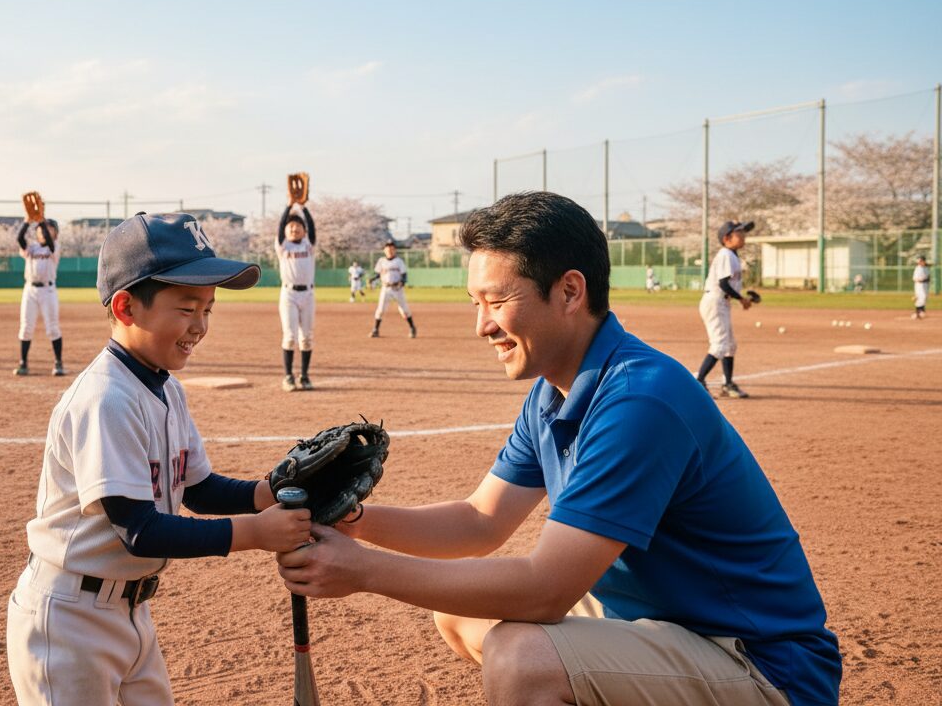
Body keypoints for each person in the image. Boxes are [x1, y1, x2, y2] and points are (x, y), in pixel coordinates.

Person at [277, 192, 841, 706]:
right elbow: (479, 520)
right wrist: (354, 521)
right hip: (666, 622)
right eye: (475, 303)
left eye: (496, 301)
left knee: (522, 658)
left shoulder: (640, 400)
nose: (482, 326)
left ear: (570, 291)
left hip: (759, 663)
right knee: (459, 615)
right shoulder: (554, 391)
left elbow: (546, 590)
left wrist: (365, 571)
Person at [6, 212, 313, 706]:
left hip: (130, 612)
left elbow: (199, 489)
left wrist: (272, 491)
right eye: (187, 308)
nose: (200, 326)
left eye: (208, 309)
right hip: (68, 620)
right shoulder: (106, 398)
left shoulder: (167, 388)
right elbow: (140, 531)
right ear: (126, 306)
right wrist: (256, 532)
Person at [696, 220, 754, 398]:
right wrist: (741, 299)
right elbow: (723, 284)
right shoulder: (726, 255)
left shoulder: (732, 256)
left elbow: (729, 285)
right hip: (715, 302)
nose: (743, 235)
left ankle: (728, 384)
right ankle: (699, 383)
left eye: (743, 232)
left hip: (722, 302)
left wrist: (742, 298)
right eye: (739, 232)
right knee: (719, 345)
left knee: (729, 345)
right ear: (727, 238)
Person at [15, 217, 65, 376]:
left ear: (55, 233)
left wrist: (41, 220)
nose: (43, 232)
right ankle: (23, 363)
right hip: (29, 290)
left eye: (48, 229)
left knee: (52, 328)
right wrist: (27, 221)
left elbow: (49, 241)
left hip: (48, 291)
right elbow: (19, 238)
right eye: (41, 230)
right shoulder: (31, 248)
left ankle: (58, 362)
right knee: (26, 327)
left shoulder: (54, 247)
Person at [276, 202, 316, 391]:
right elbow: (280, 226)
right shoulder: (283, 246)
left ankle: (305, 376)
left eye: (298, 226)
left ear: (304, 231)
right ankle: (288, 376)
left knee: (306, 337)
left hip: (308, 294)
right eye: (291, 226)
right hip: (289, 295)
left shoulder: (309, 245)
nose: (294, 229)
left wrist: (303, 208)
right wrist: (289, 206)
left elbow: (312, 227)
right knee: (290, 336)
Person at [369, 239, 417, 338]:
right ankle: (375, 330)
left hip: (397, 288)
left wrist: (402, 282)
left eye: (392, 249)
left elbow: (404, 275)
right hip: (385, 288)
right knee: (380, 310)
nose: (390, 251)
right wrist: (372, 279)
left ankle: (412, 328)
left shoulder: (399, 261)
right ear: (384, 250)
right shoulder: (381, 261)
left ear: (394, 250)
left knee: (404, 310)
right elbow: (377, 274)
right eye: (388, 249)